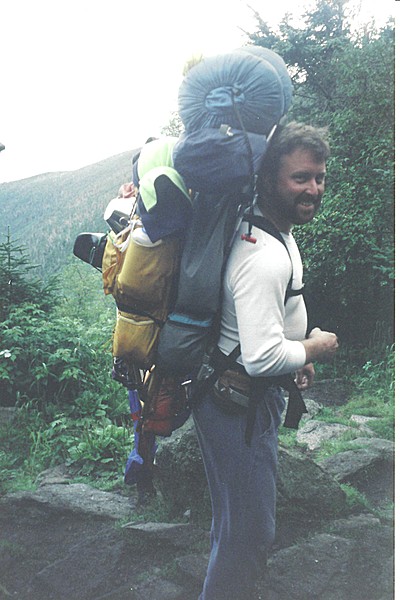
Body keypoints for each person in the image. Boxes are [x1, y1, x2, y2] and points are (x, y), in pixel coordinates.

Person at [192, 121, 339, 599]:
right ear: (269, 179)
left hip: (231, 399)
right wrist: (314, 347)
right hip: (239, 406)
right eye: (300, 178)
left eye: (319, 177)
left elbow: (273, 321)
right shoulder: (264, 255)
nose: (313, 188)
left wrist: (298, 353)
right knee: (249, 535)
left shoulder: (269, 229)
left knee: (233, 527)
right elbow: (259, 358)